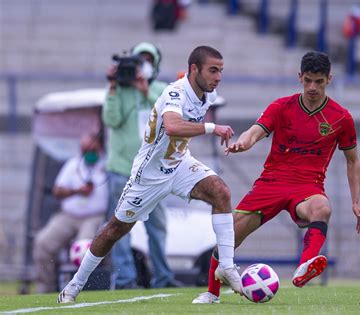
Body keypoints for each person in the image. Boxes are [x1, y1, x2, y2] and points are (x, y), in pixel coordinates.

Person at [58, 45, 241, 303]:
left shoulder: (208, 94)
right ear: (194, 69)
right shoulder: (175, 91)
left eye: (220, 71)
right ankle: (74, 286)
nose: (218, 77)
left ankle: (227, 265)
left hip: (179, 165)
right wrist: (213, 128)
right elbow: (173, 126)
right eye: (213, 70)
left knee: (221, 192)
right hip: (149, 174)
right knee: (115, 229)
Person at [193, 51, 360, 304]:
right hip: (271, 183)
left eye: (318, 81)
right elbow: (254, 132)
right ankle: (212, 293)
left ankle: (305, 266)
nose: (312, 87)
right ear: (299, 77)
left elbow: (353, 160)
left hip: (308, 187)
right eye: (307, 80)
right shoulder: (282, 106)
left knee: (322, 207)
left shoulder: (341, 118)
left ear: (329, 79)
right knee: (230, 236)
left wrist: (355, 201)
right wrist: (243, 143)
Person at [104, 42, 179, 289]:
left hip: (152, 173)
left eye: (148, 59)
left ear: (155, 64)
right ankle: (125, 279)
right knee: (119, 228)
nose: (143, 64)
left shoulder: (161, 89)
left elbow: (172, 117)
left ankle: (163, 277)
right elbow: (110, 119)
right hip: (121, 169)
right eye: (139, 60)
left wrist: (145, 91)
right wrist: (114, 87)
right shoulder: (120, 90)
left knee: (157, 229)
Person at [33, 133, 107, 293]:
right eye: (85, 150)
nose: (89, 153)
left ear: (100, 148)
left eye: (92, 149)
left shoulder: (106, 165)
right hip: (69, 215)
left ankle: (84, 288)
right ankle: (46, 288)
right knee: (43, 243)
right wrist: (77, 191)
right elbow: (57, 191)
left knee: (83, 248)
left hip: (94, 216)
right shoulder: (73, 164)